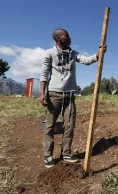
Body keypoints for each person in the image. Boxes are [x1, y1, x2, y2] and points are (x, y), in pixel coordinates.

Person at [40, 28, 107, 168]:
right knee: (50, 126)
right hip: (54, 94)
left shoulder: (72, 53)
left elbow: (87, 60)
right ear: (59, 38)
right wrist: (42, 93)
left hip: (70, 95)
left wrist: (98, 54)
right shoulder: (49, 53)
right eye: (67, 36)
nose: (70, 37)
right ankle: (48, 156)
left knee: (69, 125)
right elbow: (44, 74)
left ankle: (66, 153)